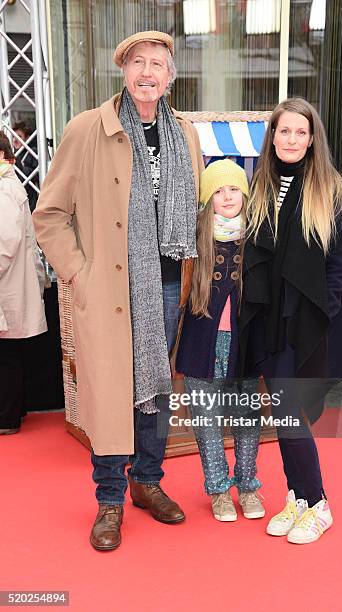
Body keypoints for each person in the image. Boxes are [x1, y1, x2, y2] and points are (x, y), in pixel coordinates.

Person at [33, 31, 203, 551]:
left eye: (158, 63)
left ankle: (147, 483)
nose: (147, 72)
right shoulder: (88, 129)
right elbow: (50, 215)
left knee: (154, 386)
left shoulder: (185, 135)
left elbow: (194, 209)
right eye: (137, 62)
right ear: (122, 71)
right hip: (106, 281)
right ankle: (109, 499)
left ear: (171, 76)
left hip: (169, 278)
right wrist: (78, 271)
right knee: (109, 391)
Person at [239, 98, 342, 544]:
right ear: (273, 137)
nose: (291, 140)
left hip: (304, 323)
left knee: (291, 415)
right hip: (267, 321)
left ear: (313, 139)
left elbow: (339, 267)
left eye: (300, 132)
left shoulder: (333, 192)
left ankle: (318, 503)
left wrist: (316, 316)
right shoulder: (260, 189)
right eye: (284, 131)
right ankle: (297, 497)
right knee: (284, 415)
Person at [176, 159, 264, 522]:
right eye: (217, 190)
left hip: (245, 340)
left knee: (246, 417)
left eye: (233, 189)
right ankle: (217, 490)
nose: (227, 197)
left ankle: (247, 486)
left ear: (245, 194)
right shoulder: (194, 235)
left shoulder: (258, 235)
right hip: (202, 341)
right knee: (207, 420)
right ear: (207, 197)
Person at [0, 131, 47, 434]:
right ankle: (13, 411)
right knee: (9, 353)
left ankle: (7, 417)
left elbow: (6, 240)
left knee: (5, 356)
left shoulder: (4, 189)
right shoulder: (10, 186)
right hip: (11, 282)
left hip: (7, 283)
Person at [12, 121, 39, 212]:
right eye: (13, 137)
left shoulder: (32, 153)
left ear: (27, 138)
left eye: (19, 137)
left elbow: (39, 176)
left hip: (30, 199)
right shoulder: (12, 154)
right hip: (15, 199)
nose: (15, 140)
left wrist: (25, 170)